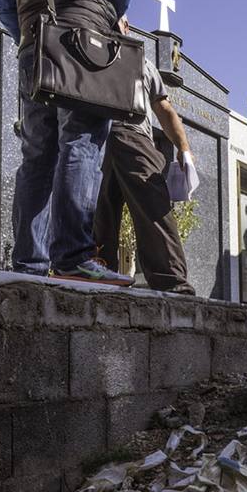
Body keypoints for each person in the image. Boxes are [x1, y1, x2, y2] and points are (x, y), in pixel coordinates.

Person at [0, 0, 137, 285]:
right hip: (84, 43)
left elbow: (5, 5)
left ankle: (29, 263)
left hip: (33, 48)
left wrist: (32, 36)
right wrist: (112, 12)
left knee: (37, 154)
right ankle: (73, 256)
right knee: (82, 138)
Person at [93, 17, 196, 295]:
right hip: (107, 135)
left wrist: (184, 150)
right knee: (106, 211)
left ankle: (170, 281)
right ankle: (103, 271)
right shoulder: (101, 49)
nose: (120, 26)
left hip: (121, 135)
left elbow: (164, 110)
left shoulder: (139, 62)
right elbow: (164, 110)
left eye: (122, 22)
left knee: (146, 206)